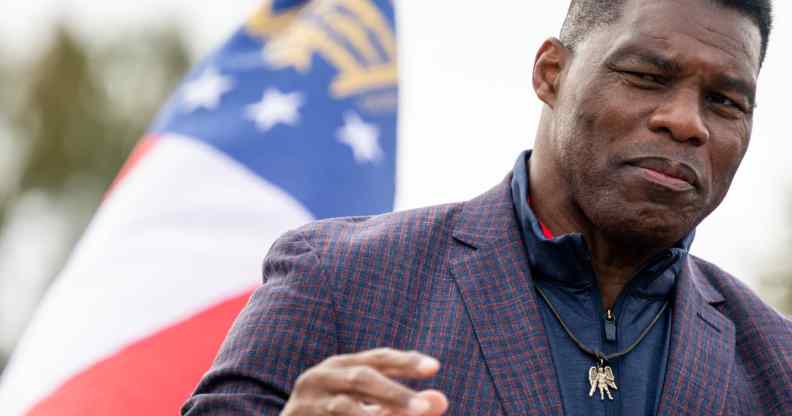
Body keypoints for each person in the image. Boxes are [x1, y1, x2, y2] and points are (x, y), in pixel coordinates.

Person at [182, 0, 792, 414]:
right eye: (646, 76)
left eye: (724, 102)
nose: (686, 122)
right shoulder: (339, 278)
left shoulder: (777, 362)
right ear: (551, 73)